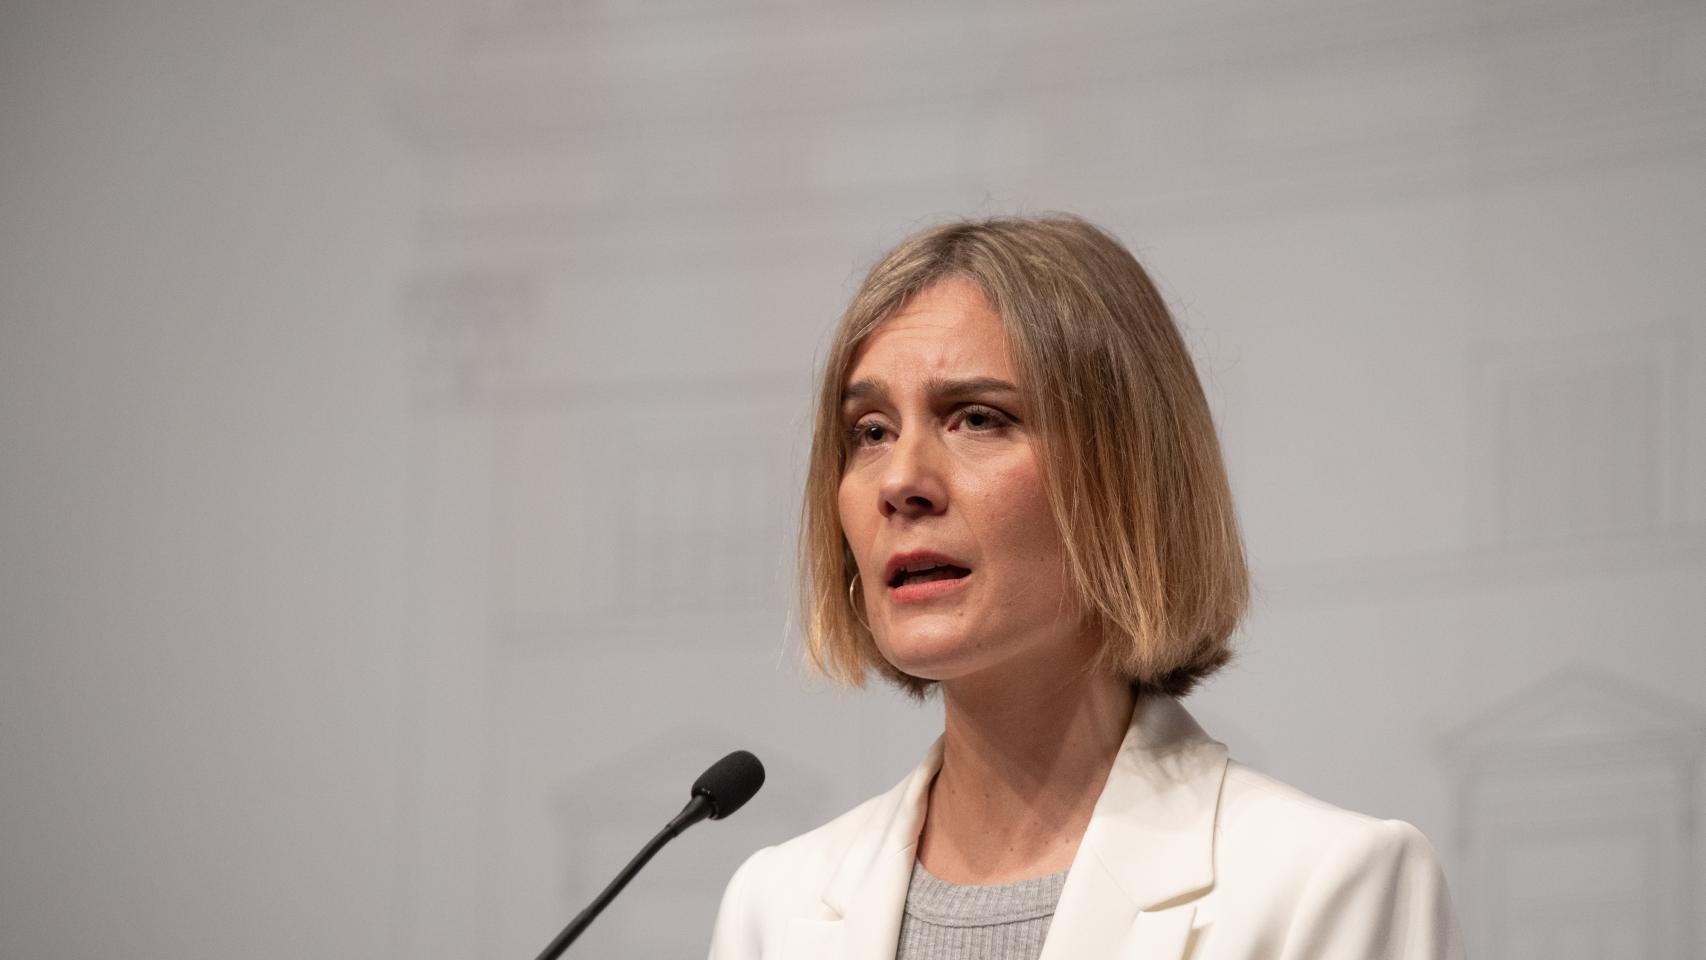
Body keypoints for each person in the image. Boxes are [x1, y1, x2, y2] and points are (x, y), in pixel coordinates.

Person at [707, 214, 1464, 959]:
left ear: (1129, 477)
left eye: (976, 418)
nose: (901, 481)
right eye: (869, 431)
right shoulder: (774, 911)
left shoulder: (1326, 889)